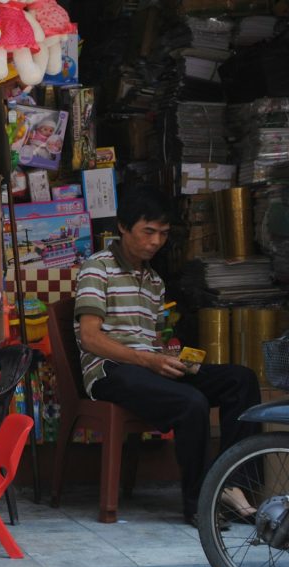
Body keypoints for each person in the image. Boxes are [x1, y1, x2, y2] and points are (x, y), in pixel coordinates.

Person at [73, 186, 261, 527]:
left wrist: (168, 357)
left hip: (147, 367)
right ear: (123, 227)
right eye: (148, 232)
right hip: (110, 373)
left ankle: (236, 484)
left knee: (240, 380)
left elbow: (153, 341)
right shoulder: (96, 268)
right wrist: (148, 360)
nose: (156, 241)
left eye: (162, 234)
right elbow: (90, 339)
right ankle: (200, 503)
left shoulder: (155, 281)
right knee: (190, 402)